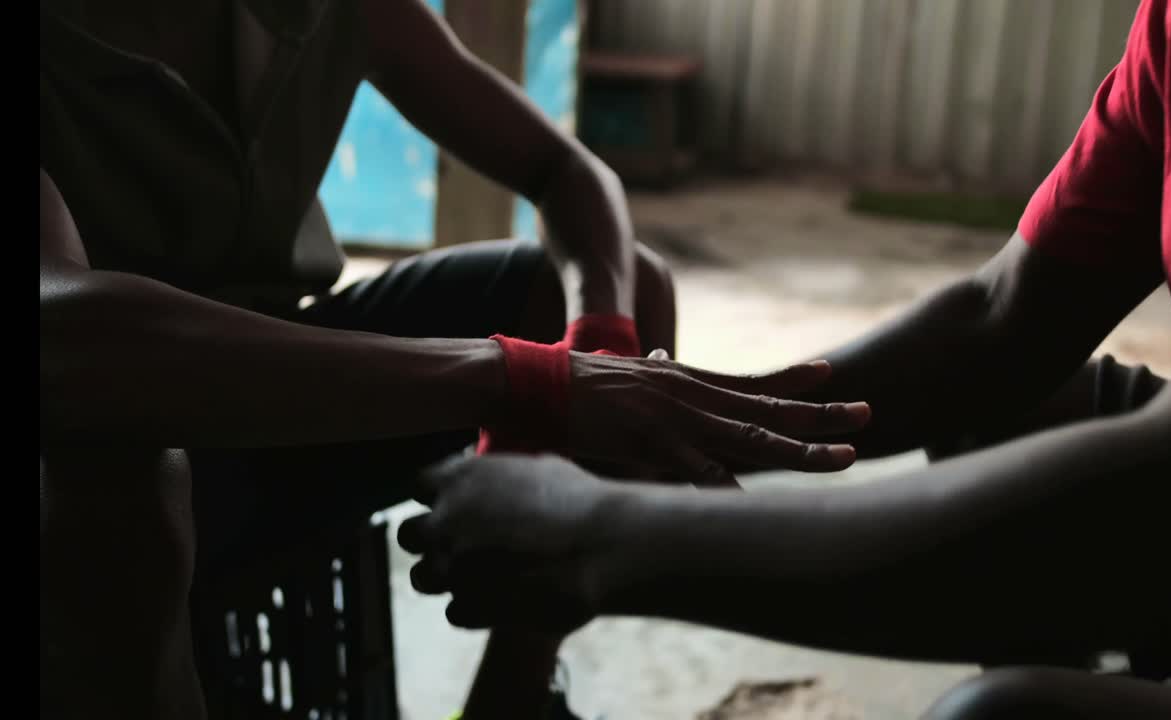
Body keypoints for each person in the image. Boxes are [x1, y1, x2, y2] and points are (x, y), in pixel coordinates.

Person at [397, 0, 1171, 717]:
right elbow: (1000, 318)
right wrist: (707, 422)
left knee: (996, 716)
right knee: (1006, 412)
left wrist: (604, 540)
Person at [38, 1, 873, 718]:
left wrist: (601, 345)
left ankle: (511, 701)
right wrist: (521, 380)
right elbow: (64, 337)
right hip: (116, 429)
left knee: (617, 286)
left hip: (286, 406)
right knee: (122, 462)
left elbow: (563, 170)